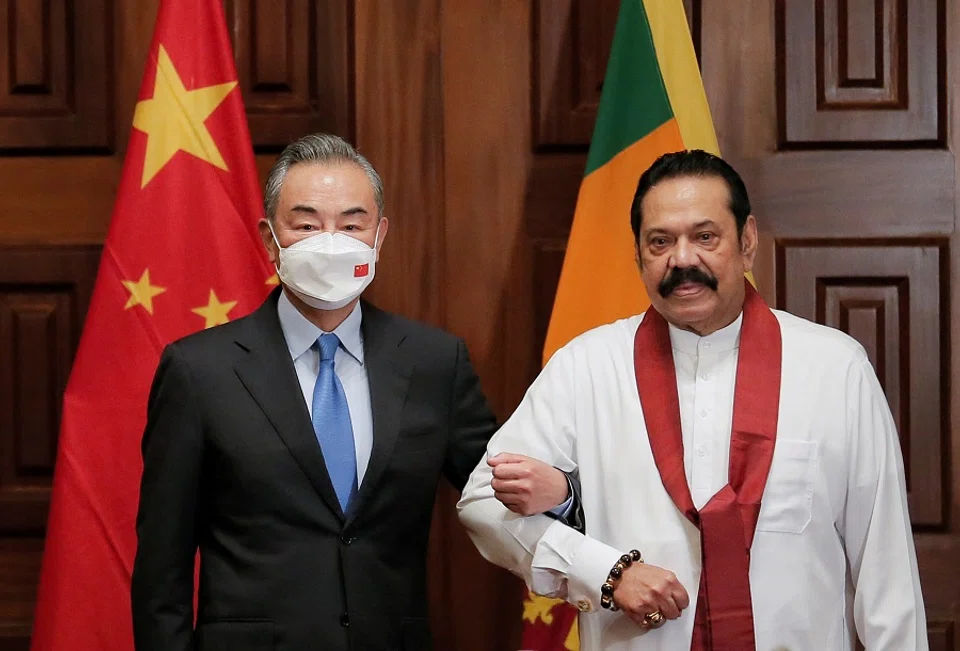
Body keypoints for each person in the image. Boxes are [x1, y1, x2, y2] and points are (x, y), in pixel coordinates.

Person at [458, 150, 928, 650]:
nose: (682, 260)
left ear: (747, 243)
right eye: (660, 242)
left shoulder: (835, 369)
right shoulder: (587, 368)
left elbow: (886, 571)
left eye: (705, 237)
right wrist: (606, 573)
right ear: (637, 256)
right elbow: (483, 501)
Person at [132, 133, 546, 651]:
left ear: (379, 235)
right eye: (306, 225)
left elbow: (500, 490)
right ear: (269, 239)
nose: (331, 241)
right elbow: (161, 566)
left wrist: (574, 509)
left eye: (352, 225)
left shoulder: (433, 362)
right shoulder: (199, 370)